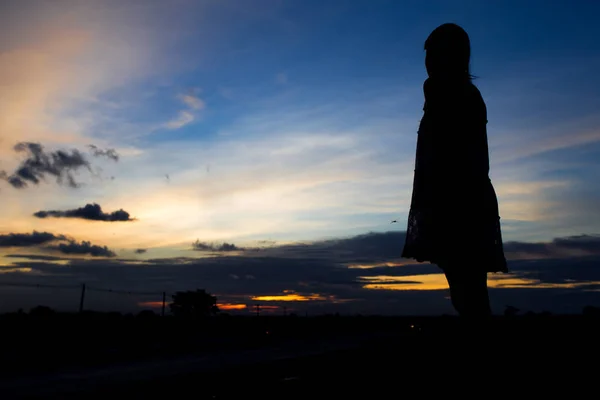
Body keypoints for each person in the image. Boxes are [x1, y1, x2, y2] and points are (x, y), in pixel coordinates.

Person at [401, 23, 507, 320]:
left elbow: (467, 159)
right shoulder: (440, 95)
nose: (429, 62)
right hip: (445, 200)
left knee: (468, 291)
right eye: (428, 55)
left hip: (461, 202)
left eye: (435, 54)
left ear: (453, 57)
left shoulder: (460, 95)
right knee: (464, 291)